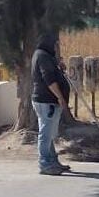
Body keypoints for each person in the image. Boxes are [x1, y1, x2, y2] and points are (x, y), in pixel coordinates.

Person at [30, 31, 71, 175]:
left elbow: (54, 74)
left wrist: (60, 67)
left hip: (49, 101)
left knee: (50, 133)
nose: (56, 47)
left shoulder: (47, 56)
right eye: (54, 44)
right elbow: (49, 80)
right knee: (46, 134)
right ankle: (44, 164)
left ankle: (53, 161)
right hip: (46, 101)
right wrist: (60, 97)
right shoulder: (42, 56)